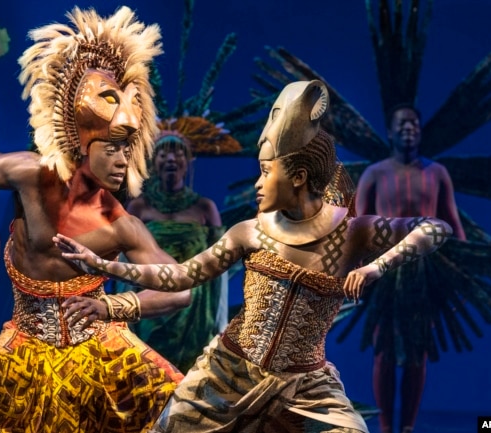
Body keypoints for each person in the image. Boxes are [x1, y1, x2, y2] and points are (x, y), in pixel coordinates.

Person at [54, 80, 453, 433]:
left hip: (306, 386)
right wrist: (102, 268)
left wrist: (376, 265)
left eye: (266, 172)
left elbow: (436, 228)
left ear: (297, 176)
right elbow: (181, 276)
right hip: (227, 373)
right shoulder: (252, 231)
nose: (258, 184)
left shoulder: (352, 233)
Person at [0, 7, 190, 432]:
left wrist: (110, 307)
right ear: (83, 143)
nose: (123, 161)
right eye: (112, 148)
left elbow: (179, 290)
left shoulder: (120, 223)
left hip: (101, 350)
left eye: (127, 149)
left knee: (180, 410)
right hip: (24, 349)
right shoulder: (33, 175)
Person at [353, 104, 466, 433]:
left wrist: (458, 277)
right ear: (390, 131)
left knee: (417, 351)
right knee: (384, 351)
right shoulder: (375, 173)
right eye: (402, 124)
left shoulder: (437, 173)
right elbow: (359, 226)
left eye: (414, 124)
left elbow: (452, 222)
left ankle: (408, 427)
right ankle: (387, 426)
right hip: (383, 273)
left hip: (425, 274)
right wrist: (358, 269)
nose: (409, 128)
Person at [120, 123, 233, 373]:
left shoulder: (205, 208)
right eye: (163, 153)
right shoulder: (139, 207)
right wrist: (123, 312)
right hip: (150, 303)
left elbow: (220, 268)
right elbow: (125, 263)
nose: (171, 158)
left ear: (188, 160)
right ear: (154, 160)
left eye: (178, 152)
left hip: (195, 310)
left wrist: (219, 320)